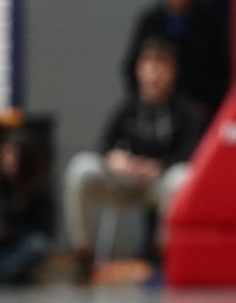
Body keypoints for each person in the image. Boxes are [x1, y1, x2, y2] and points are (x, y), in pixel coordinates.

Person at [66, 38, 201, 277]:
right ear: (139, 70)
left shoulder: (184, 110)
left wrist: (159, 166)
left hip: (158, 184)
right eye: (149, 64)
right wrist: (117, 160)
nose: (154, 73)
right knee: (82, 168)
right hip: (124, 181)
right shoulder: (127, 108)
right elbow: (103, 147)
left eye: (161, 65)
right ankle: (84, 253)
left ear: (173, 72)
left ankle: (164, 253)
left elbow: (193, 152)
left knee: (182, 176)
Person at [122, 0, 228, 123]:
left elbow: (219, 69)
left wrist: (208, 103)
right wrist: (141, 99)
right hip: (153, 108)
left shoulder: (207, 25)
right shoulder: (149, 22)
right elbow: (131, 63)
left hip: (196, 105)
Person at [0, 130, 52, 284]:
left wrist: (10, 231)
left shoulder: (38, 190)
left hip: (18, 246)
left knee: (38, 245)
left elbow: (44, 229)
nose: (10, 160)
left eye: (15, 156)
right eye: (7, 155)